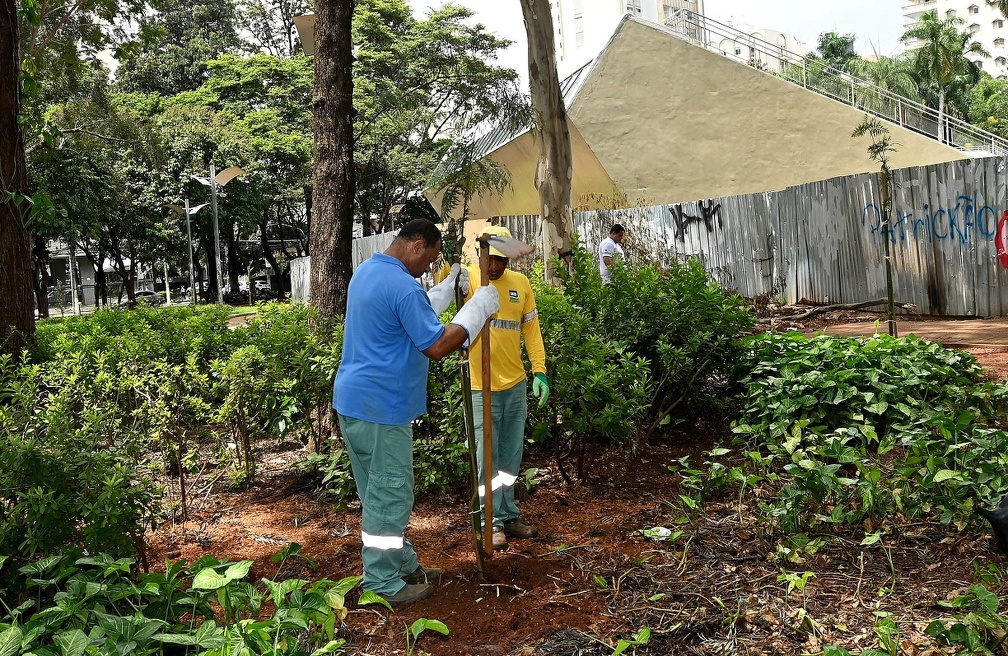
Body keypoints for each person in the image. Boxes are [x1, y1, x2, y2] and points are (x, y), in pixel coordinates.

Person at [333, 218, 500, 607]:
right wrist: (476, 311)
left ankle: (402, 562)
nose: (429, 267)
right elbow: (437, 345)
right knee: (391, 493)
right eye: (431, 259)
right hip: (382, 407)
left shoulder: (369, 272)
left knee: (377, 491)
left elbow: (403, 316)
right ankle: (381, 580)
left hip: (354, 403)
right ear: (417, 245)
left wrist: (442, 293)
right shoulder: (403, 286)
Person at [465, 225, 550, 551]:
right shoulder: (471, 279)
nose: (496, 266)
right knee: (487, 458)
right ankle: (491, 523)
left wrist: (539, 371)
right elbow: (443, 279)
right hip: (480, 386)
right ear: (480, 253)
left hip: (514, 384)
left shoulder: (522, 284)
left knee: (510, 457)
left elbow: (531, 332)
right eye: (491, 258)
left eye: (502, 259)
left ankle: (508, 512)